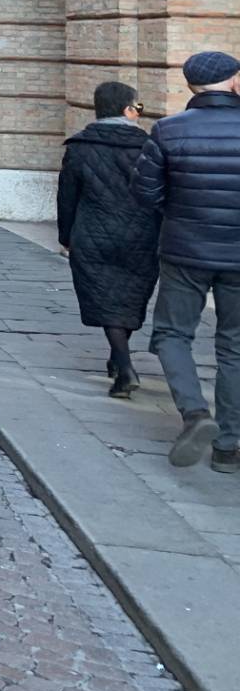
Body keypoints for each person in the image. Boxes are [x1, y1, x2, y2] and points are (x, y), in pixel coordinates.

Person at [132, 51, 240, 473]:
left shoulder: (169, 129)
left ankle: (195, 413)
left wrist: (177, 212)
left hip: (185, 250)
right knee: (234, 346)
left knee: (172, 335)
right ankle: (228, 447)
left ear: (191, 86)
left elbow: (145, 193)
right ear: (234, 82)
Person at [58, 80, 156, 400]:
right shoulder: (151, 147)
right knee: (129, 297)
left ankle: (122, 363)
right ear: (128, 110)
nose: (139, 112)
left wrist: (66, 236)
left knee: (104, 297)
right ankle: (121, 359)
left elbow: (67, 198)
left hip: (92, 235)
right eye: (139, 107)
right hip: (142, 236)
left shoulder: (80, 147)